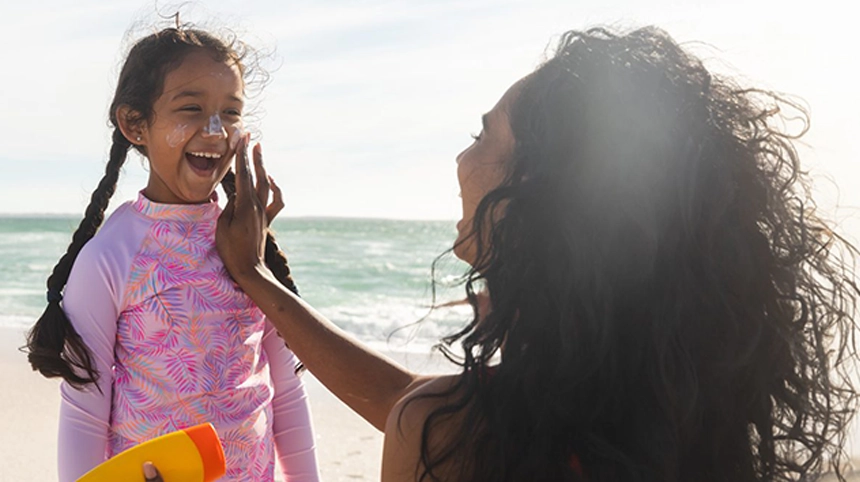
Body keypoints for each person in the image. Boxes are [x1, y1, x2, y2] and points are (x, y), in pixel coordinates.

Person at [175, 26, 859, 482]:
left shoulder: (454, 437)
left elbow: (432, 421)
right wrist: (257, 281)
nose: (461, 156)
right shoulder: (680, 400)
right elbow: (430, 407)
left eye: (485, 136)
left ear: (538, 198)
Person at [25, 26, 319, 482]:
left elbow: (285, 394)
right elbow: (84, 415)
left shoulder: (248, 241)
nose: (216, 130)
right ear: (135, 124)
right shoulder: (112, 255)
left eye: (231, 112)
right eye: (191, 109)